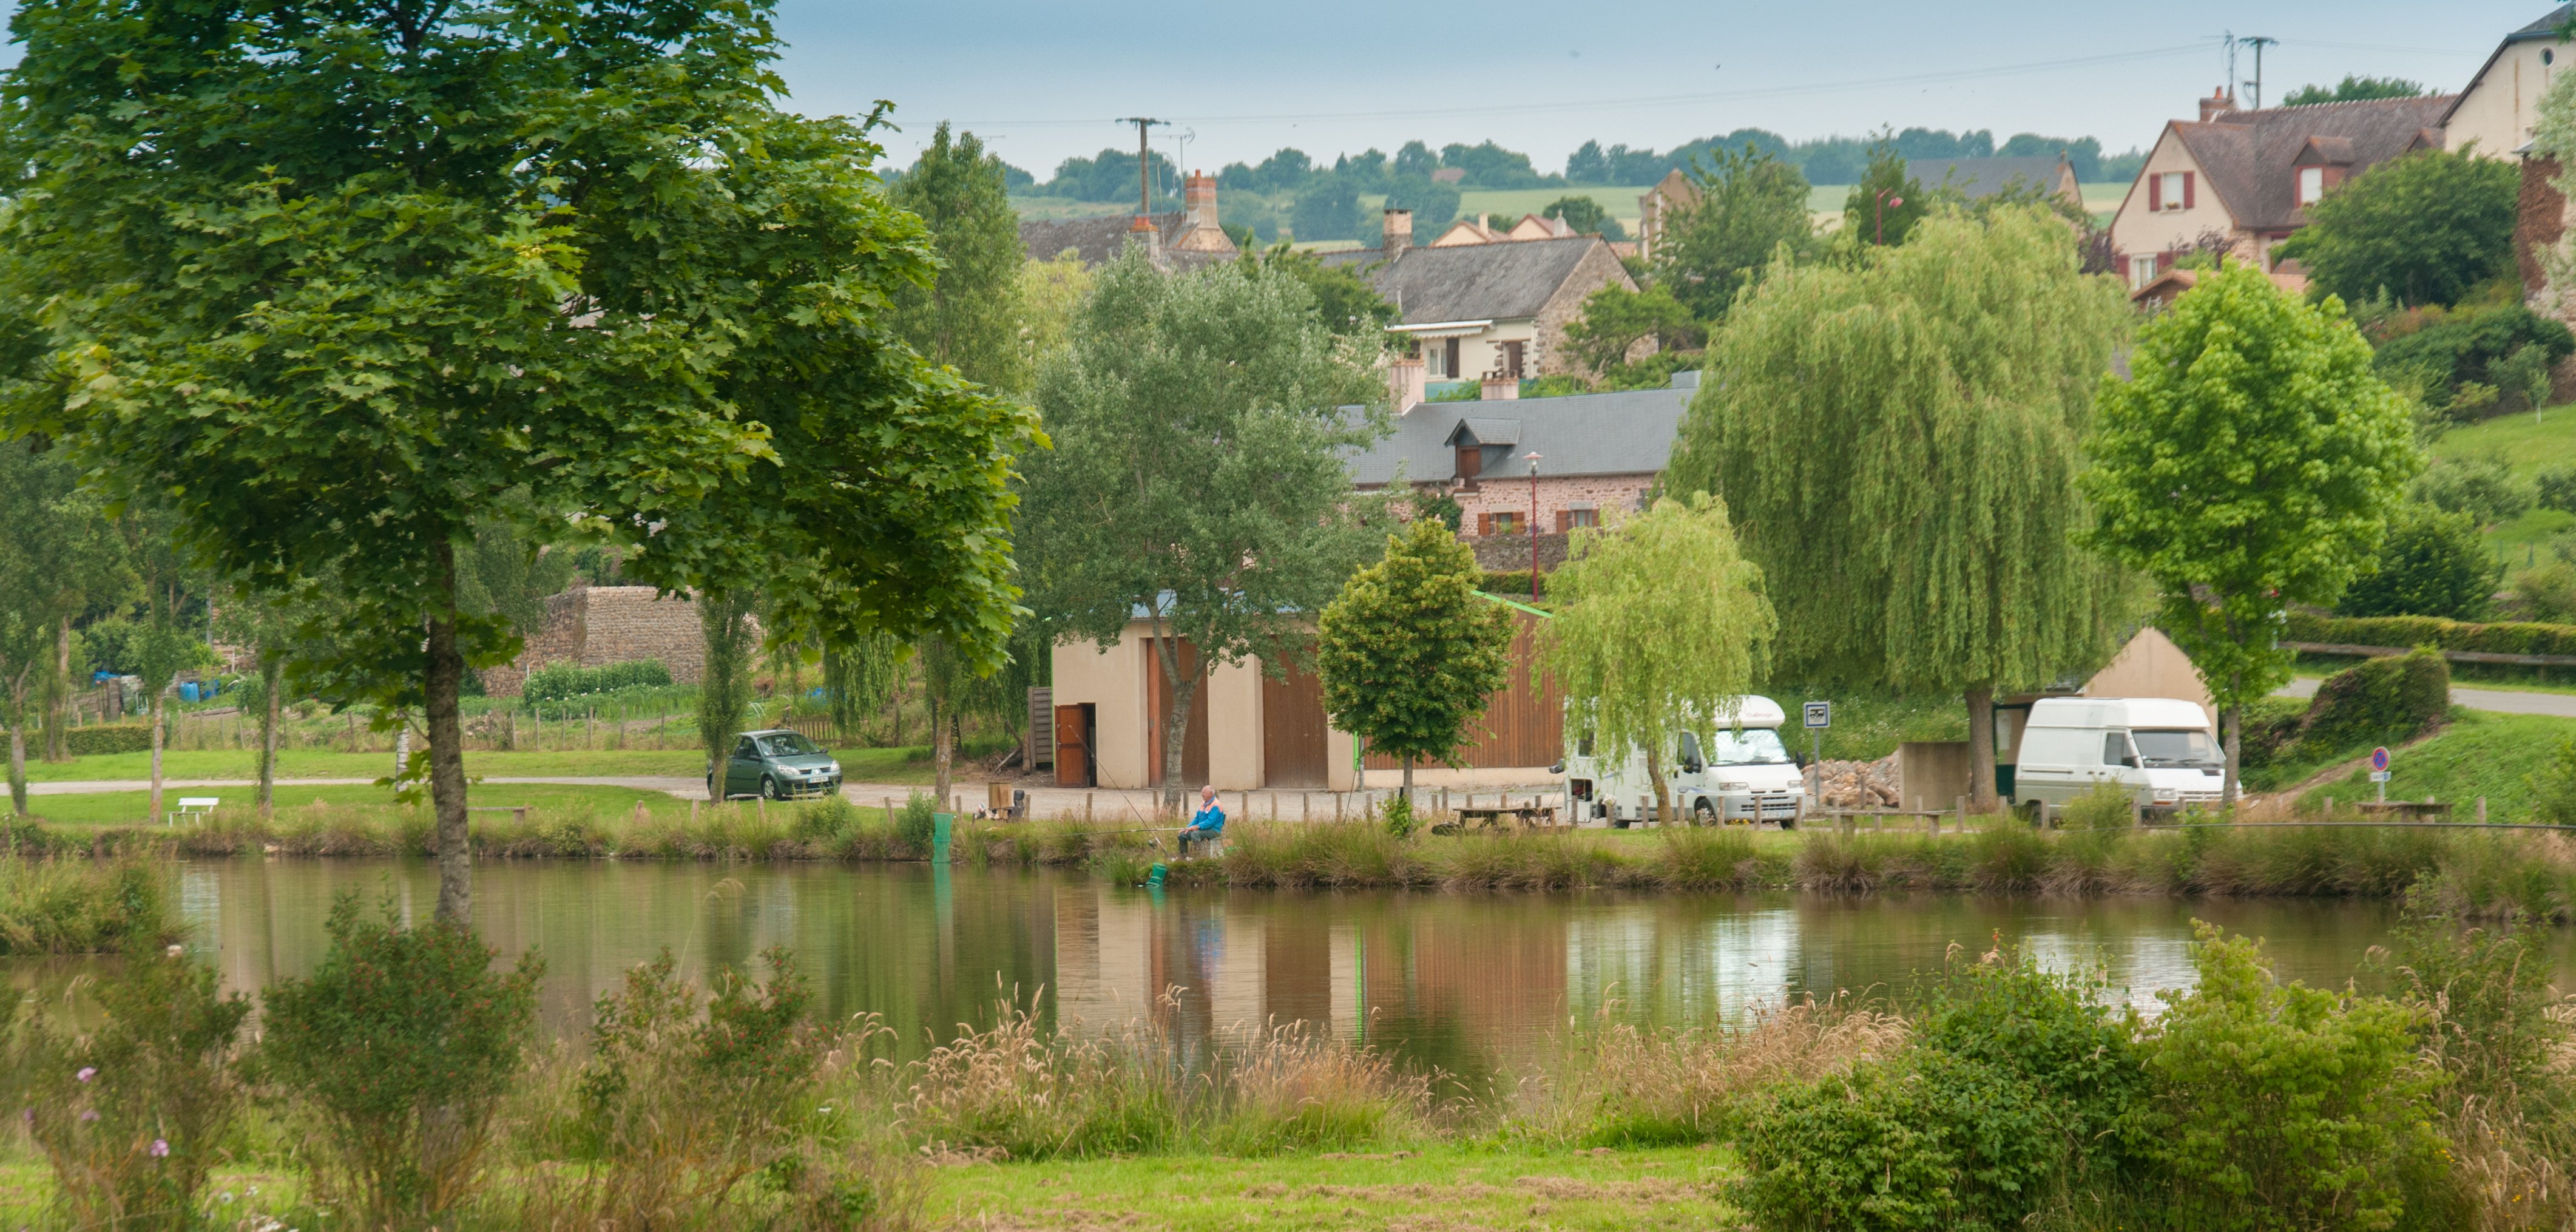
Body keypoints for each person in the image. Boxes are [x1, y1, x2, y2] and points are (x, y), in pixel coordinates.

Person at [1180, 784, 1226, 858]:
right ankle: (1183, 856)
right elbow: (1197, 819)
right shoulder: (1204, 803)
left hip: (1213, 831)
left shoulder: (1216, 805)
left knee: (1195, 834)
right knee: (1182, 835)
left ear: (1210, 794)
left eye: (1204, 792)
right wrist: (1188, 828)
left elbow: (1210, 822)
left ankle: (1197, 856)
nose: (1202, 794)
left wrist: (1197, 827)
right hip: (1202, 830)